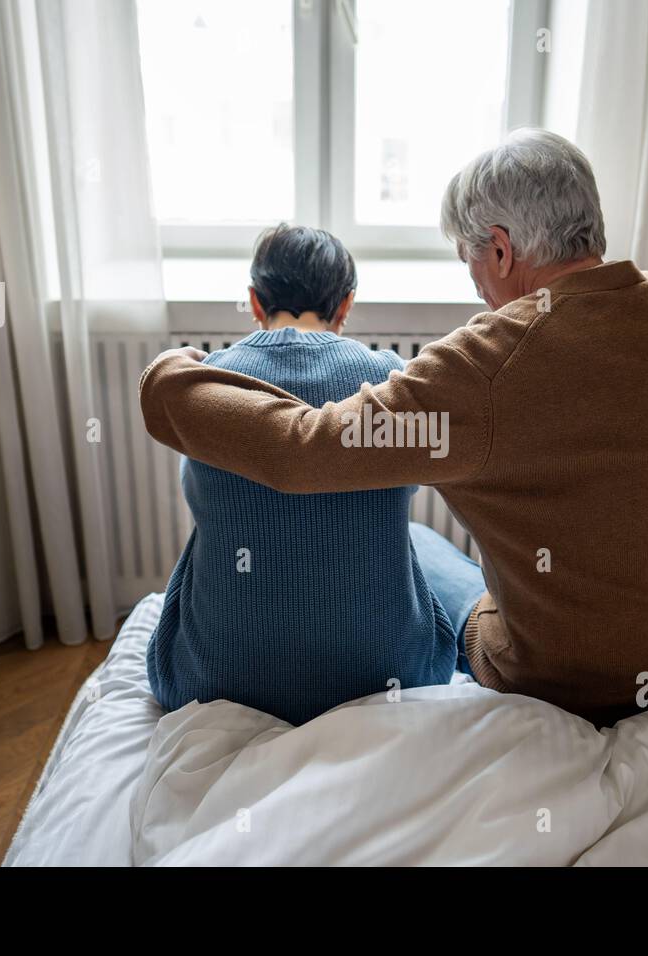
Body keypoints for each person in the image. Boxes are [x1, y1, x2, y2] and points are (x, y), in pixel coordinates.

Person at [140, 130, 648, 726]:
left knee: (419, 545)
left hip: (582, 682)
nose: (476, 282)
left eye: (471, 260)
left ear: (500, 249)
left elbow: (302, 452)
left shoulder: (486, 364)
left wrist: (170, 381)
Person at [144, 224, 465, 725]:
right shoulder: (392, 383)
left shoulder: (205, 387)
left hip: (214, 678)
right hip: (391, 672)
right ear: (346, 304)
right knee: (417, 541)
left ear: (255, 300)